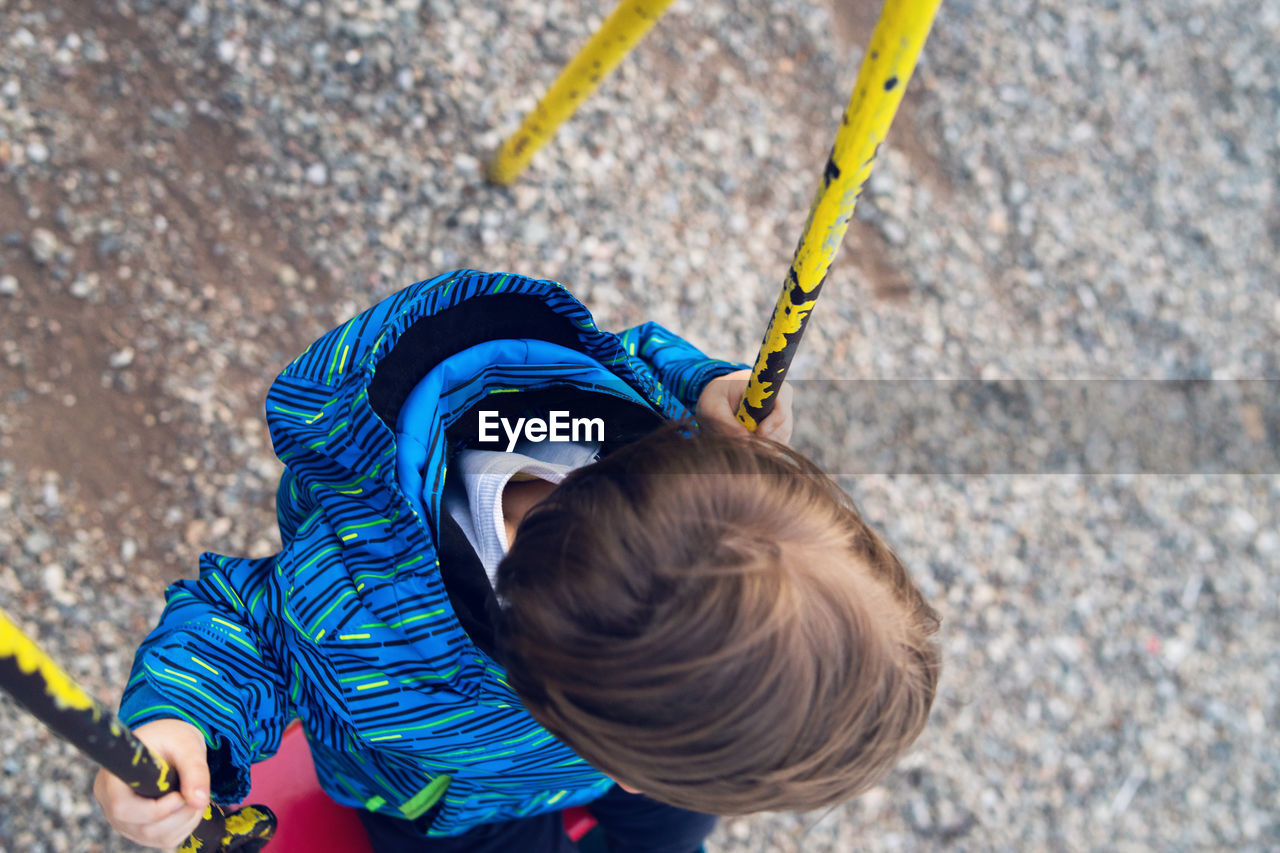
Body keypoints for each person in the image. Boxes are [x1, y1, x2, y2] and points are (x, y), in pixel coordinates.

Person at [95, 270, 939, 852]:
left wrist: (704, 388)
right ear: (554, 704)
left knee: (676, 823)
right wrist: (180, 720)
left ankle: (677, 787)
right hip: (453, 795)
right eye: (650, 776)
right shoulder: (360, 618)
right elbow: (242, 625)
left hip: (612, 727)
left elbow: (641, 354)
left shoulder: (653, 440)